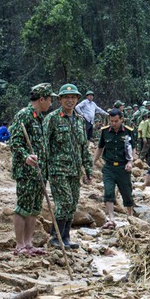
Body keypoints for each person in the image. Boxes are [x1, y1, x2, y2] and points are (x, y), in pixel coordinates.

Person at [8, 83, 56, 256]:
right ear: (41, 99)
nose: (51, 102)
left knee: (35, 207)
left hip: (39, 171)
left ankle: (28, 243)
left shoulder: (40, 117)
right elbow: (15, 142)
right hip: (26, 171)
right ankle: (19, 244)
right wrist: (25, 156)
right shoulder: (24, 115)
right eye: (50, 99)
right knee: (23, 206)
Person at [44, 84, 94, 249]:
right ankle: (55, 237)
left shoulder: (80, 120)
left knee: (72, 204)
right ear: (60, 100)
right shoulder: (52, 118)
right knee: (64, 202)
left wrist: (88, 170)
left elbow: (84, 148)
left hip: (75, 171)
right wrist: (44, 168)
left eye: (73, 97)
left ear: (77, 99)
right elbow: (44, 145)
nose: (70, 100)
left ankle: (65, 237)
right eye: (66, 97)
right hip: (58, 170)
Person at [93, 108, 136, 228]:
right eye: (111, 121)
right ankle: (111, 218)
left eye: (116, 121)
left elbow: (132, 148)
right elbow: (100, 148)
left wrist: (130, 162)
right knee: (109, 191)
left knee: (127, 192)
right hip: (109, 167)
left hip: (123, 167)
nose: (113, 123)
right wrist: (92, 163)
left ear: (121, 120)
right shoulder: (105, 132)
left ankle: (130, 216)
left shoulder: (128, 131)